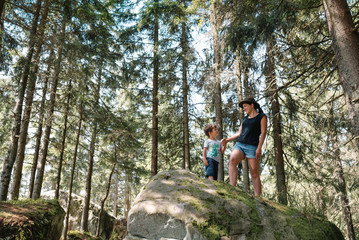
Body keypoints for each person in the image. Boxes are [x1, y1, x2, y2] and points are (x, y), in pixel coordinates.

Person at [221, 97, 267, 196]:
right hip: (240, 144)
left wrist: (259, 148)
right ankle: (232, 188)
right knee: (232, 160)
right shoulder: (245, 118)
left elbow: (263, 133)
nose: (244, 108)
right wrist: (228, 140)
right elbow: (239, 133)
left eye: (245, 106)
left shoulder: (262, 117)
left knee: (254, 173)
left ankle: (257, 197)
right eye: (243, 107)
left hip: (253, 147)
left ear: (252, 105)